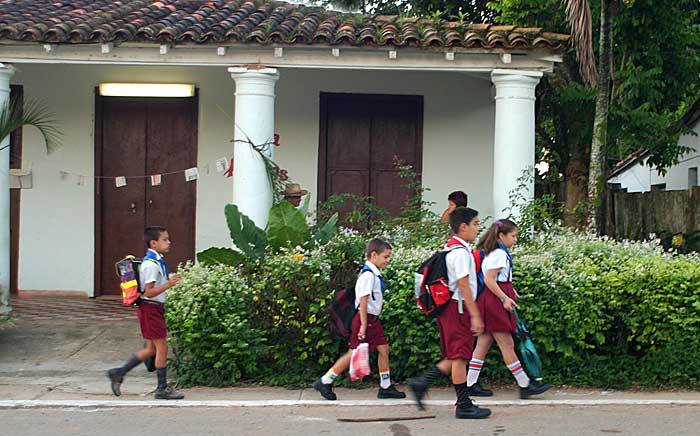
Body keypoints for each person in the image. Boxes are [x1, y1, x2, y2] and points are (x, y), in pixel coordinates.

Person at [409, 207, 491, 419]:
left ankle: (422, 382)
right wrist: (475, 315)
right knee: (460, 356)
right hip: (459, 308)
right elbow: (464, 285)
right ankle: (463, 404)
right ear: (463, 227)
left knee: (456, 355)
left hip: (451, 309)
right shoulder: (461, 254)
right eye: (475, 224)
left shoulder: (449, 249)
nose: (477, 228)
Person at [467, 219, 551, 399]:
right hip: (495, 301)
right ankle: (524, 384)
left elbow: (496, 279)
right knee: (507, 344)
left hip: (489, 299)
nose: (515, 239)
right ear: (501, 235)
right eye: (513, 236)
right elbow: (490, 279)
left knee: (483, 344)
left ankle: (470, 384)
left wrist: (510, 291)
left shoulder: (493, 252)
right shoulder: (499, 253)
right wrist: (505, 297)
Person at [313, 238, 406, 400]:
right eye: (386, 257)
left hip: (372, 320)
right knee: (353, 352)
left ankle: (385, 386)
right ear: (373, 255)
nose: (388, 260)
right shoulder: (368, 276)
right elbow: (363, 301)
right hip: (365, 320)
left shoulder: (374, 274)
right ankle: (325, 380)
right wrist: (363, 325)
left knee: (383, 349)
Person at [107, 226, 184, 400]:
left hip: (152, 309)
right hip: (150, 309)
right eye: (165, 239)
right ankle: (162, 388)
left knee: (151, 349)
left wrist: (168, 281)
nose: (169, 242)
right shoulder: (150, 265)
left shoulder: (156, 261)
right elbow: (148, 292)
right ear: (154, 243)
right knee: (162, 348)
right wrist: (169, 284)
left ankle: (119, 372)